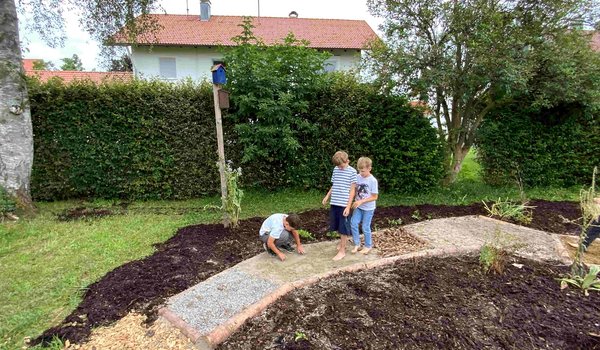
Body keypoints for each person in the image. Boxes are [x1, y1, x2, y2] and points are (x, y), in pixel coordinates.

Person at [322, 151, 356, 261]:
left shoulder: (352, 172)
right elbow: (334, 184)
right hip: (335, 202)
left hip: (344, 204)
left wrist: (348, 206)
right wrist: (327, 196)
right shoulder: (336, 169)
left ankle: (342, 251)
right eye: (338, 166)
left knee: (343, 227)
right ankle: (343, 243)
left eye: (341, 165)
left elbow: (352, 191)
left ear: (347, 161)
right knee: (337, 225)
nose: (340, 168)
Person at [350, 157, 379, 255]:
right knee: (353, 223)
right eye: (359, 170)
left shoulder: (373, 181)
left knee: (365, 227)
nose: (361, 173)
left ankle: (368, 246)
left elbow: (374, 197)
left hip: (368, 208)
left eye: (363, 171)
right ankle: (357, 244)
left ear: (369, 168)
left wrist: (361, 201)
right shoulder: (358, 177)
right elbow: (353, 190)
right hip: (359, 207)